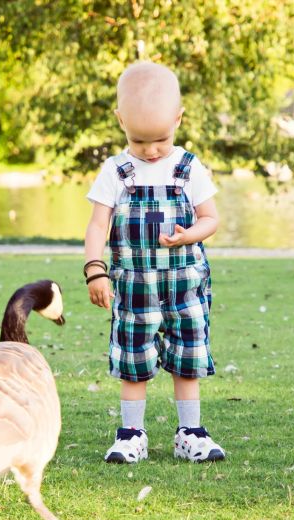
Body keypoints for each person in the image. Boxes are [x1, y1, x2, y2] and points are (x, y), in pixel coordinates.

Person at [84, 62, 225, 464]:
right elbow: (97, 226)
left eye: (161, 138)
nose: (151, 150)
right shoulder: (115, 171)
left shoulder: (188, 167)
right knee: (134, 361)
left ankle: (190, 433)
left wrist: (189, 234)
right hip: (134, 288)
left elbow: (211, 219)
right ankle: (131, 435)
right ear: (121, 121)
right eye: (139, 139)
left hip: (185, 287)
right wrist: (95, 269)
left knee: (188, 358)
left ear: (178, 120)